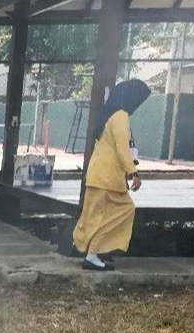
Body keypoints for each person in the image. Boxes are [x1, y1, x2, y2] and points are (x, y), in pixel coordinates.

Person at [72, 79, 150, 271]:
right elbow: (122, 149)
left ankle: (92, 250)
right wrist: (134, 173)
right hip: (108, 178)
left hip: (97, 175)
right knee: (124, 210)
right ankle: (93, 254)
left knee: (96, 216)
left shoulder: (107, 114)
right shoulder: (121, 116)